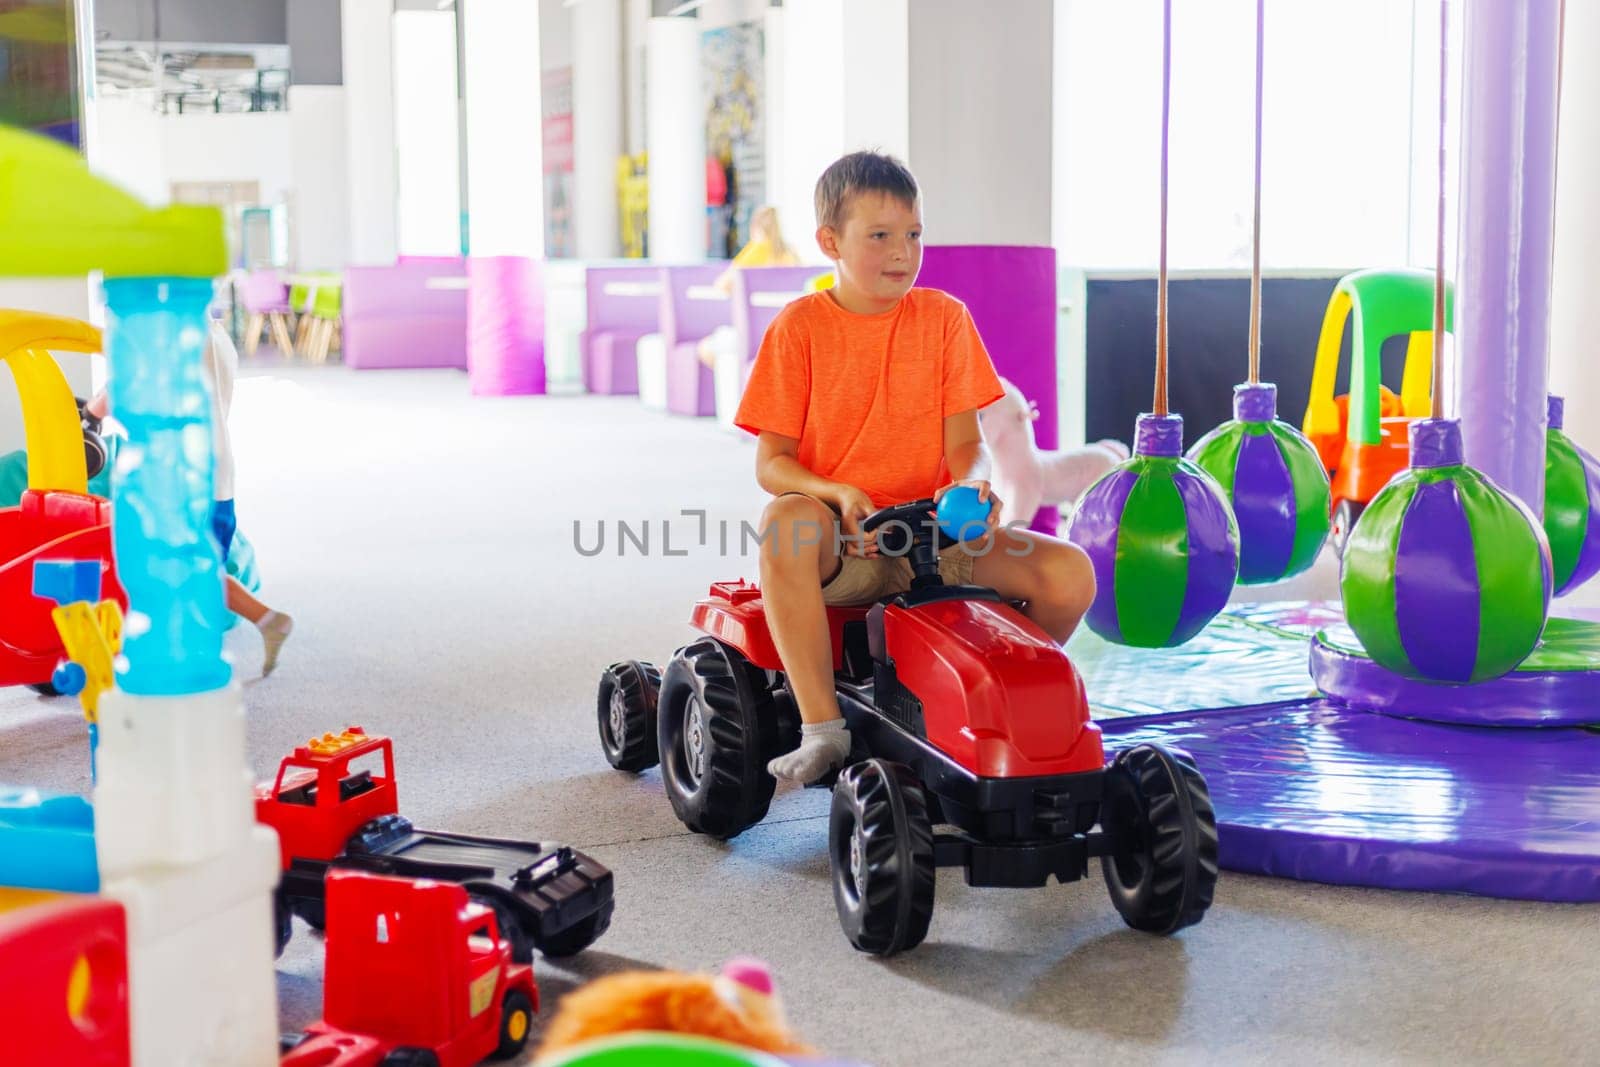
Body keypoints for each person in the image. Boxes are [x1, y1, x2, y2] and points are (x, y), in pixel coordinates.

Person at [732, 152, 1097, 783]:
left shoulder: (945, 319)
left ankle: (994, 703)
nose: (903, 252)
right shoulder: (799, 329)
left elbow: (967, 444)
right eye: (880, 236)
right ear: (830, 242)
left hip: (934, 538)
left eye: (914, 234)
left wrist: (972, 479)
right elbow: (772, 463)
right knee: (785, 521)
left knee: (1069, 572)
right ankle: (823, 729)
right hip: (842, 544)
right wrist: (839, 492)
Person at [88, 320, 294, 676]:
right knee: (200, 567)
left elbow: (113, 394)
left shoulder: (164, 336)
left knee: (172, 568)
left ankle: (201, 655)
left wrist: (89, 413)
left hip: (182, 476)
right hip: (219, 474)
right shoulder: (219, 337)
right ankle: (267, 621)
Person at [697, 205, 802, 368]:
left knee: (705, 348)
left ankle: (739, 388)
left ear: (755, 227)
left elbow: (721, 285)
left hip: (754, 337)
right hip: (790, 335)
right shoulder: (791, 254)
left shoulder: (755, 251)